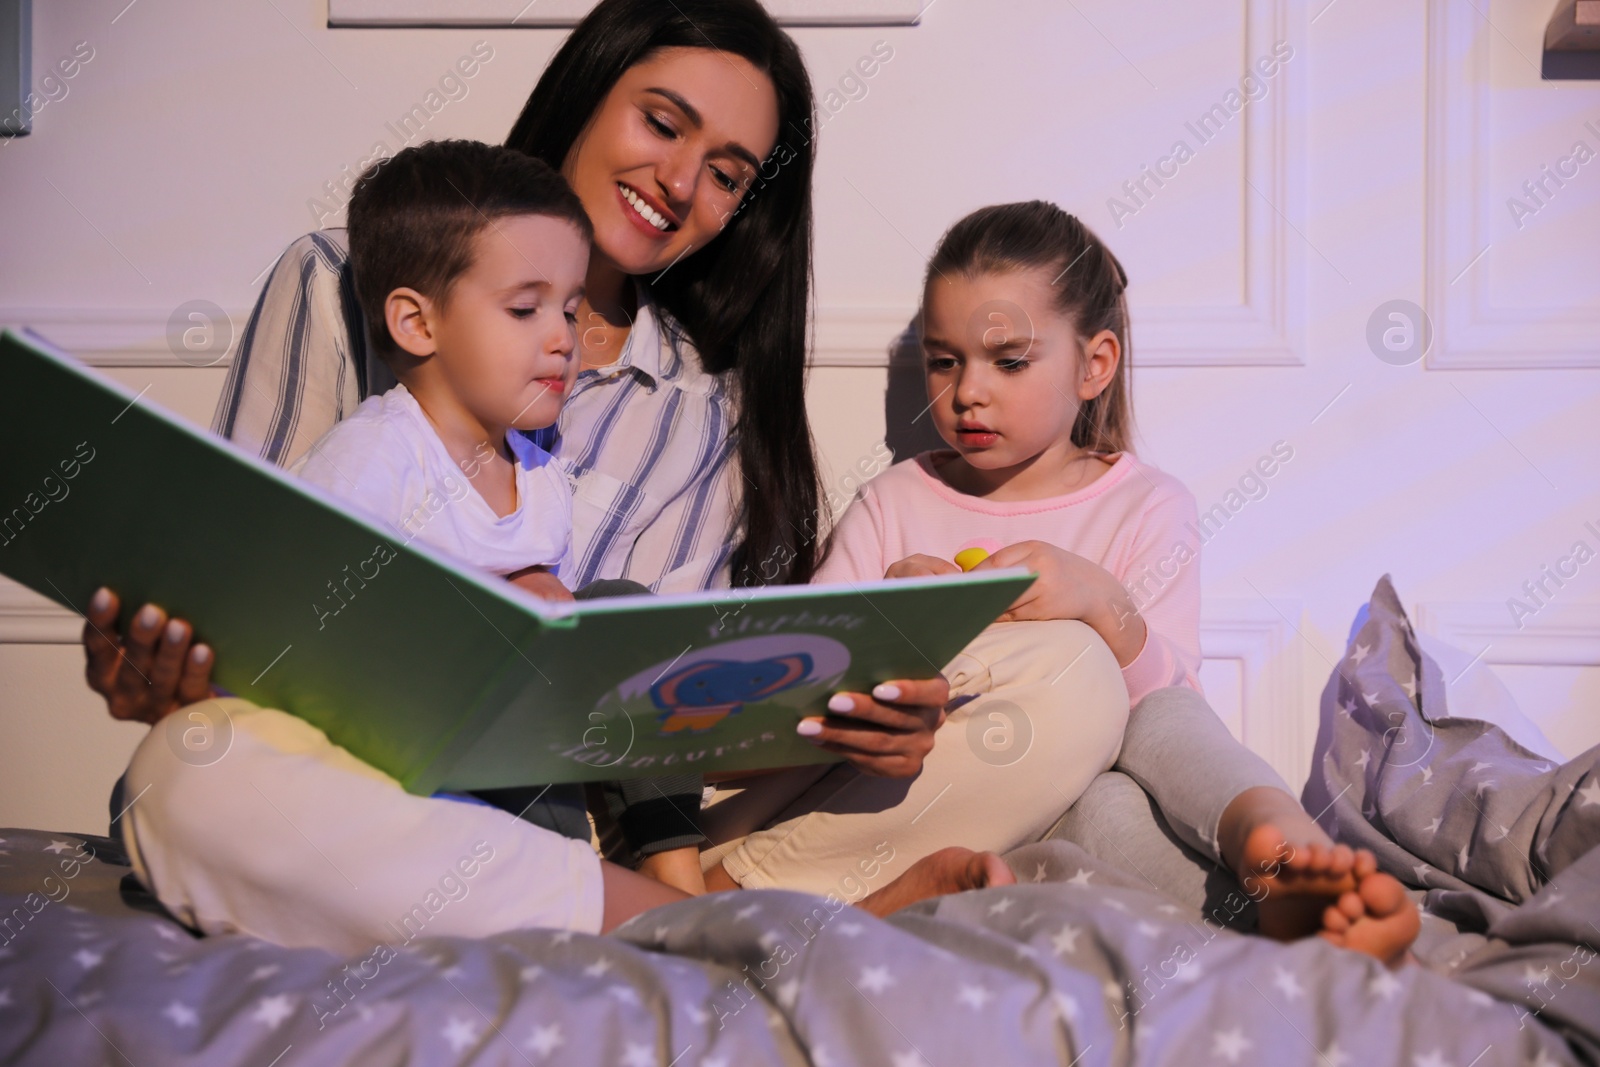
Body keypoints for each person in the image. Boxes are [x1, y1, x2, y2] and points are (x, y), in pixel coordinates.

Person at [81, 0, 1014, 951]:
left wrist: (846, 712)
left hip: (551, 819)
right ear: (587, 92)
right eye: (662, 122)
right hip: (316, 779)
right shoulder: (338, 281)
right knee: (185, 781)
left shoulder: (702, 411)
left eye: (727, 174)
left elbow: (659, 726)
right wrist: (163, 667)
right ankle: (719, 936)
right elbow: (232, 605)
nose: (681, 180)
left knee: (1061, 682)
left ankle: (680, 921)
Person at [697, 202, 1421, 963]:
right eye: (945, 361)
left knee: (1126, 778)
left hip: (1080, 800)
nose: (967, 391)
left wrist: (1103, 607)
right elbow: (796, 697)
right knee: (1084, 722)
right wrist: (891, 622)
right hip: (915, 804)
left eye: (1008, 361)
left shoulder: (1145, 504)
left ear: (1094, 364)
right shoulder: (896, 501)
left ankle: (1280, 862)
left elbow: (1170, 715)